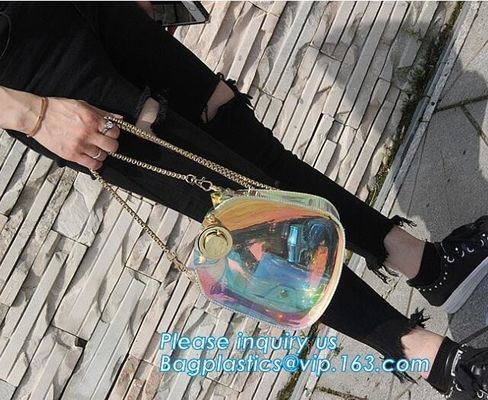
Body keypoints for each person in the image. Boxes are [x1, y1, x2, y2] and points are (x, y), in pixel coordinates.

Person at [0, 2, 487, 399]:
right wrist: (33, 116)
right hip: (32, 71)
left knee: (232, 124)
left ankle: (428, 265)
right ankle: (434, 360)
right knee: (253, 214)